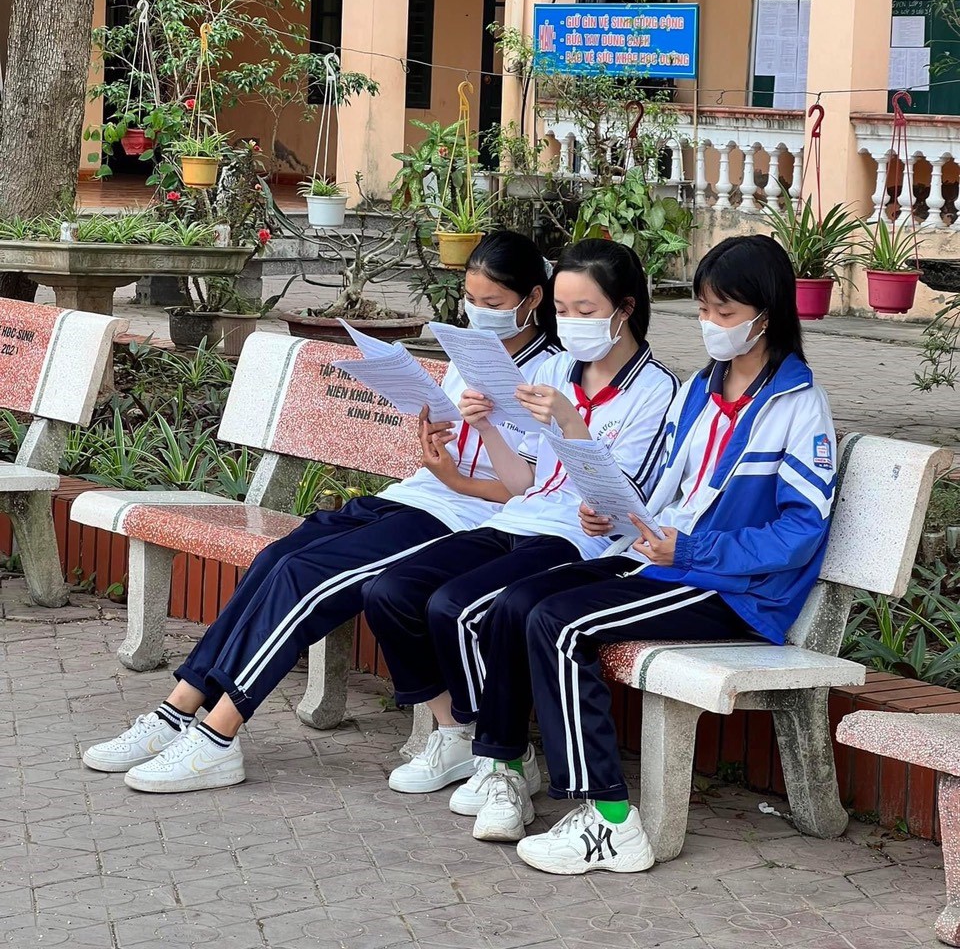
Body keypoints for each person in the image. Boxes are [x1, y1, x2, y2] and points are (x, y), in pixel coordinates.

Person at [81, 230, 560, 793]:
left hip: (464, 522)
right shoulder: (467, 357)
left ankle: (217, 736)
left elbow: (533, 490)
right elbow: (444, 444)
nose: (479, 314)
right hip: (414, 496)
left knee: (304, 578)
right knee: (276, 558)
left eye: (493, 304)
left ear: (532, 298)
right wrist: (432, 442)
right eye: (472, 300)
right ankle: (175, 711)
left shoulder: (551, 375)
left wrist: (456, 473)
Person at [460, 234, 837, 874]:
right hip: (665, 558)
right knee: (519, 601)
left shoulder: (798, 406)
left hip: (735, 591)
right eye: (703, 309)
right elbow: (661, 486)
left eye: (724, 312)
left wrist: (691, 547)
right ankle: (503, 768)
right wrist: (612, 511)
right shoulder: (701, 389)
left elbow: (800, 531)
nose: (710, 324)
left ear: (766, 315)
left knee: (560, 626)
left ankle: (609, 821)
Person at [363, 238, 678, 804]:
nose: (571, 322)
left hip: (576, 539)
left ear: (625, 309)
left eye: (586, 310)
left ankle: (501, 758)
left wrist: (571, 421)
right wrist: (485, 427)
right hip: (521, 516)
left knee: (456, 606)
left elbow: (624, 504)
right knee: (390, 591)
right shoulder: (555, 368)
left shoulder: (657, 390)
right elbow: (523, 482)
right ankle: (464, 735)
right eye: (562, 310)